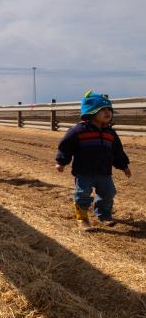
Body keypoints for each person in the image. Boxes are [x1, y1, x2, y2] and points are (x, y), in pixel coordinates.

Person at [56, 91, 131, 230]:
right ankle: (82, 219)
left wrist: (124, 166)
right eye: (102, 110)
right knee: (83, 194)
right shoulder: (78, 131)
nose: (107, 112)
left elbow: (117, 152)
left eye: (109, 109)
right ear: (91, 111)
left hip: (104, 172)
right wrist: (61, 162)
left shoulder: (110, 133)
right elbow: (66, 147)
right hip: (84, 172)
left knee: (108, 193)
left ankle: (104, 215)